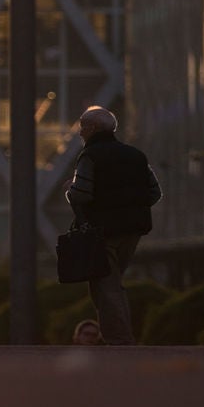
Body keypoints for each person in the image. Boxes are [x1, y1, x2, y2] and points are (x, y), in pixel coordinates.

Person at [64, 105, 160, 346]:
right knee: (112, 283)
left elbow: (82, 194)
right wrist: (131, 207)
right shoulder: (136, 155)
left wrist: (69, 191)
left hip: (102, 231)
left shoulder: (90, 156)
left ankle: (120, 340)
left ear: (93, 128)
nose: (79, 132)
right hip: (134, 229)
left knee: (106, 286)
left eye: (82, 126)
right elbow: (155, 193)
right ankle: (119, 336)